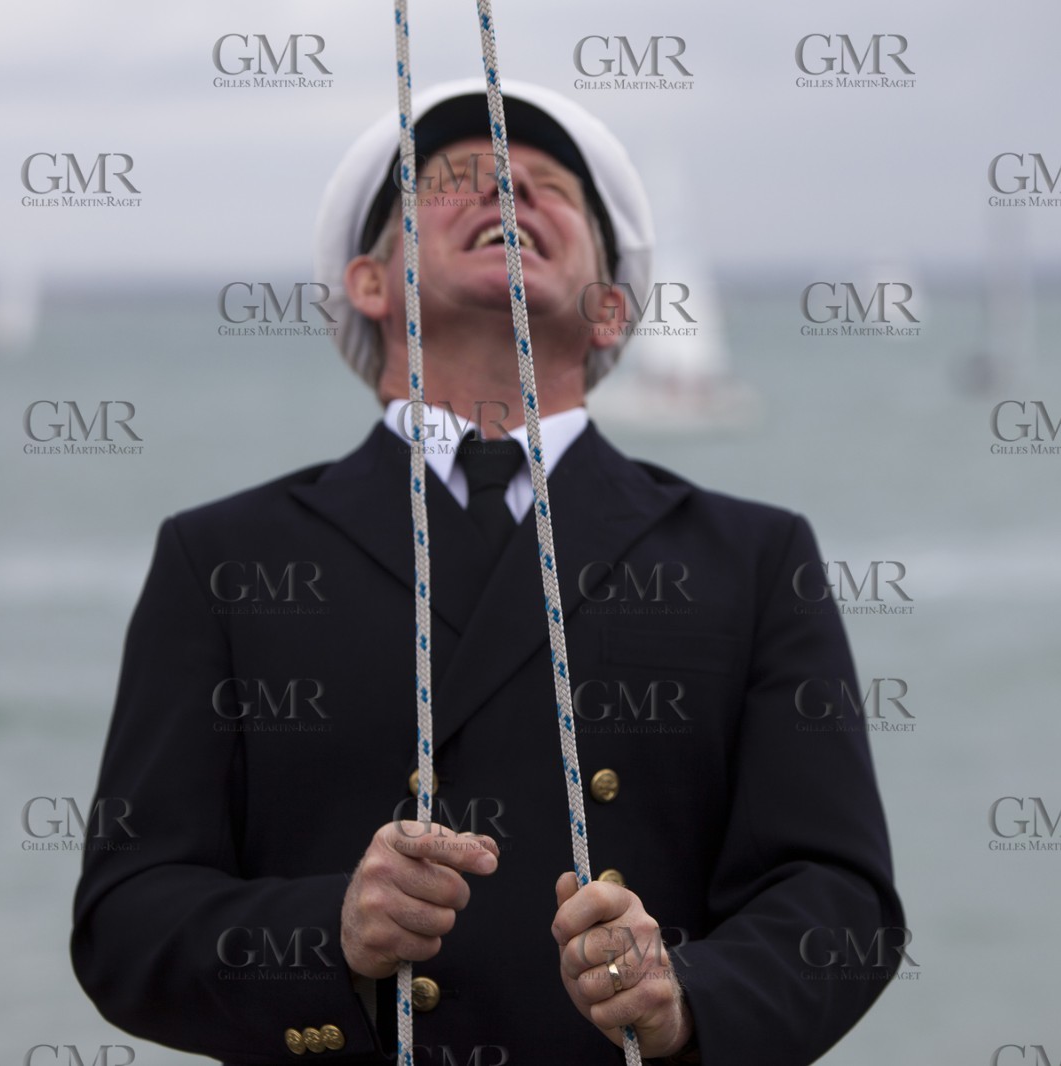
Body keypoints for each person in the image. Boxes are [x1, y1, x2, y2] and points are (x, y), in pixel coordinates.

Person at [71, 77, 903, 1066]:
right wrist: (328, 934)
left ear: (608, 309)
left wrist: (685, 995)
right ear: (369, 283)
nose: (507, 194)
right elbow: (126, 915)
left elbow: (840, 896)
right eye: (456, 180)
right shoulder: (221, 560)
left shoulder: (756, 558)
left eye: (550, 189)